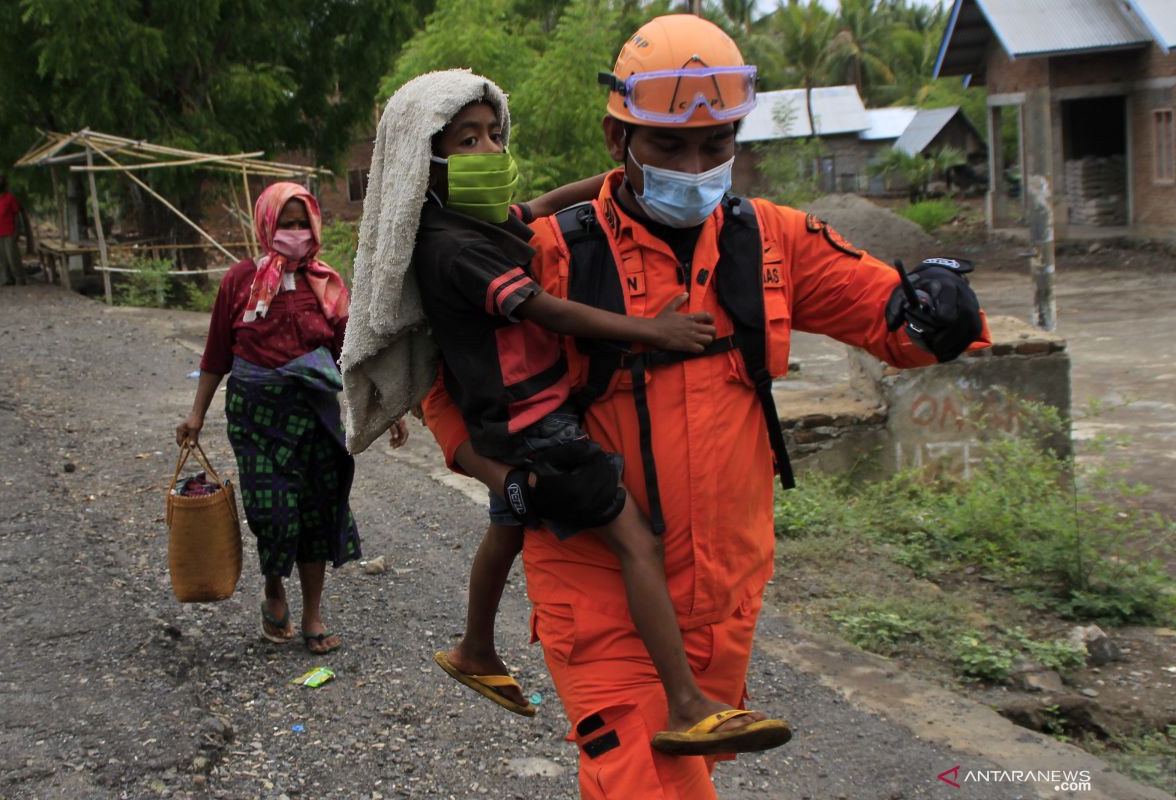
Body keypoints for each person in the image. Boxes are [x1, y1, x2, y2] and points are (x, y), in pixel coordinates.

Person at [420, 14, 989, 798]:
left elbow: (890, 319)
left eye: (716, 145)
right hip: (596, 585)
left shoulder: (772, 242)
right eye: (670, 147)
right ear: (619, 140)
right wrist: (501, 477)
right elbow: (444, 383)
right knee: (643, 779)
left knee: (690, 770)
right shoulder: (551, 252)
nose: (697, 165)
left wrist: (940, 311)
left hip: (723, 591)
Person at [343, 68, 789, 756]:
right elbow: (544, 309)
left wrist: (620, 184)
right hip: (536, 424)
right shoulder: (454, 249)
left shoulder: (474, 223)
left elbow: (545, 203)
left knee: (511, 523)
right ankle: (687, 702)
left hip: (507, 423)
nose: (491, 150)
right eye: (467, 140)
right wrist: (651, 331)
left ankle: (474, 648)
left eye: (494, 133)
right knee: (635, 539)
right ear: (421, 160)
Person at [176, 181, 407, 655]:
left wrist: (386, 407)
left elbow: (351, 352)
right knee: (273, 513)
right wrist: (196, 415)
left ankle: (313, 613)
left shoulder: (326, 283)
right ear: (267, 224)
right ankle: (273, 588)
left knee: (317, 513)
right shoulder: (239, 282)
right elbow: (217, 353)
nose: (296, 232)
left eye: (303, 223)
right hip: (256, 417)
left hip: (316, 416)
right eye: (286, 222)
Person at [0, 175, 29, 286]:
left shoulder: (10, 197)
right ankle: (8, 279)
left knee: (13, 256)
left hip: (10, 231)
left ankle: (20, 278)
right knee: (3, 257)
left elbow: (16, 214)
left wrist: (17, 230)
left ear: (4, 185)